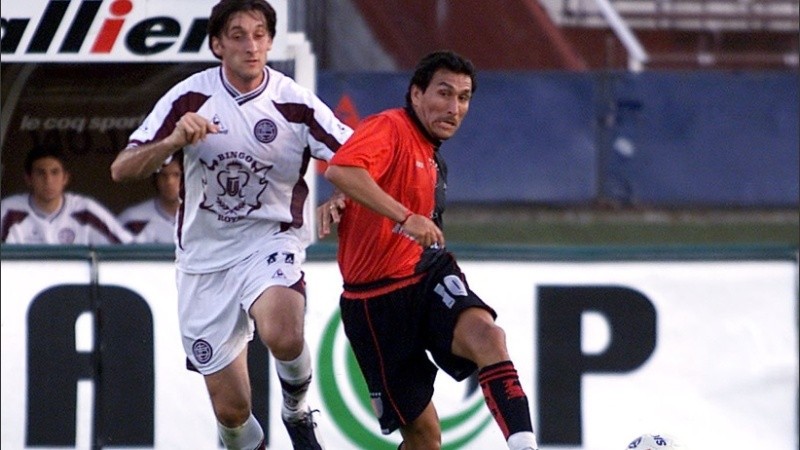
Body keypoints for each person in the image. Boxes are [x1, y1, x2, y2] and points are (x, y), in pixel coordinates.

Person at [109, 0, 352, 448]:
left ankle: (296, 410)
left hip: (270, 242)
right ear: (217, 44)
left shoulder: (293, 103)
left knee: (283, 331)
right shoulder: (190, 98)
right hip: (203, 263)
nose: (251, 45)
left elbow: (359, 158)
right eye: (238, 35)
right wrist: (173, 140)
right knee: (233, 413)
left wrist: (340, 196)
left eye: (260, 34)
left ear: (271, 42)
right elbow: (122, 169)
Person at [318, 50, 539, 450]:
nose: (454, 108)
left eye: (464, 97)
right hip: (374, 303)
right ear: (416, 94)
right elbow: (342, 169)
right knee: (424, 439)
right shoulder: (390, 126)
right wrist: (403, 217)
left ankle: (524, 446)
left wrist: (352, 201)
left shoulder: (432, 154)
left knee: (489, 337)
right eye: (444, 93)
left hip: (427, 275)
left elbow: (362, 180)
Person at [1, 144, 133, 245]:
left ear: (65, 178)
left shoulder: (85, 210)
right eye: (41, 173)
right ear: (28, 179)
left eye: (55, 172)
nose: (48, 180)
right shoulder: (9, 211)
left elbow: (127, 249)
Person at [117, 159, 182, 244]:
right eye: (163, 175)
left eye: (177, 175)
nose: (170, 182)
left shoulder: (203, 217)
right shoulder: (132, 219)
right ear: (156, 178)